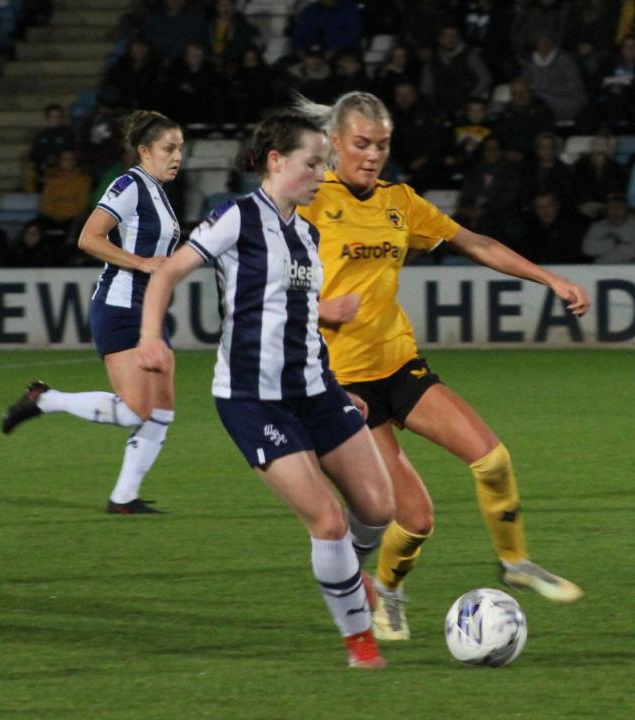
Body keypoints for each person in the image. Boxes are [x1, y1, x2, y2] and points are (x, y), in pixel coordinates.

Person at [297, 91, 591, 642]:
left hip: (398, 363)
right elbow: (261, 288)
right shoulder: (308, 202)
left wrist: (550, 279)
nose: (373, 154)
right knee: (416, 519)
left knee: (493, 460)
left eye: (382, 145)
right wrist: (316, 310)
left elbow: (474, 242)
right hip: (341, 384)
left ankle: (515, 563)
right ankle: (387, 593)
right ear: (334, 143)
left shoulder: (399, 201)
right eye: (361, 143)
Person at [136, 110, 394, 669]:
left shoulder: (307, 233)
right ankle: (360, 644)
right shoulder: (236, 217)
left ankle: (346, 572)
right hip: (253, 399)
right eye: (312, 164)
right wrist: (151, 338)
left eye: (326, 164)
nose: (323, 175)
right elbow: (165, 274)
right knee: (327, 519)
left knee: (377, 507)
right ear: (275, 161)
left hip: (315, 387)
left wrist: (336, 387)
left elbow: (298, 319)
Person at [1, 110, 185, 515]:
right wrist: (140, 263)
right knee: (137, 408)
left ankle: (123, 498)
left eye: (181, 149)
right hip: (120, 308)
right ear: (144, 151)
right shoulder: (130, 185)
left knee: (163, 408)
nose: (177, 156)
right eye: (169, 148)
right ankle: (47, 400)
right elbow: (89, 237)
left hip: (148, 312)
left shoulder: (159, 193)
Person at [581, 191, 635, 263]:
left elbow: (632, 252)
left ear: (627, 209)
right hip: (603, 271)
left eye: (620, 207)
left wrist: (600, 262)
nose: (615, 211)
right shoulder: (597, 226)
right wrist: (613, 242)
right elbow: (587, 248)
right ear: (606, 210)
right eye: (611, 208)